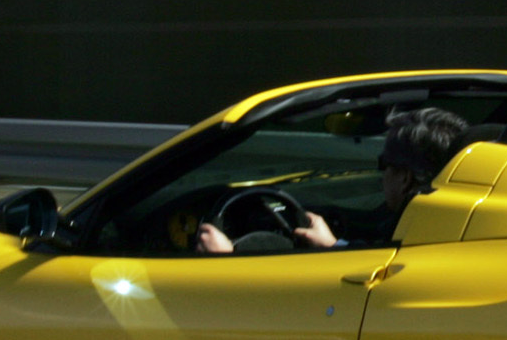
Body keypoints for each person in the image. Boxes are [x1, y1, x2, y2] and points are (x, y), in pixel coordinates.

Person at [196, 105, 471, 254]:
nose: (382, 175)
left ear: (404, 178)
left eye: (384, 164)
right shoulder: (458, 225)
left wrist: (223, 261)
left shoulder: (415, 240)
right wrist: (332, 244)